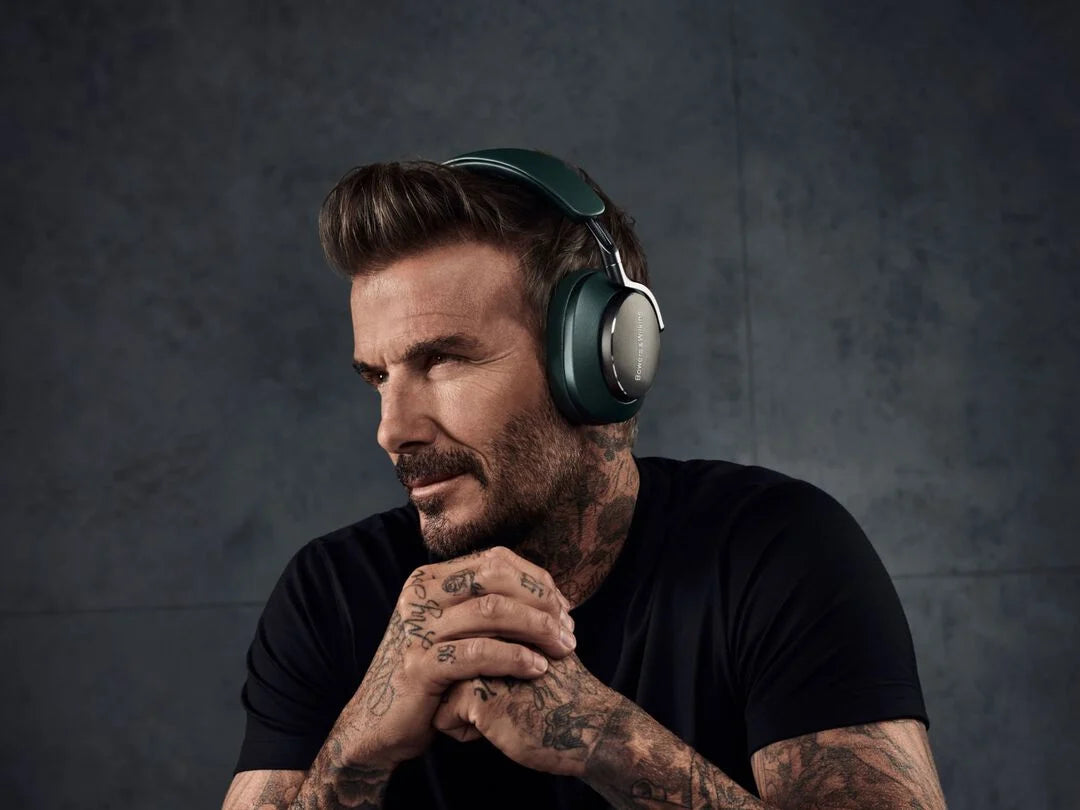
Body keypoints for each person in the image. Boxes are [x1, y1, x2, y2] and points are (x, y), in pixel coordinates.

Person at [221, 148, 946, 810]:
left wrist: (608, 741)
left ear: (600, 361)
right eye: (378, 377)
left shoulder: (776, 551)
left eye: (442, 360)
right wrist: (357, 749)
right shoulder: (331, 594)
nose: (392, 429)